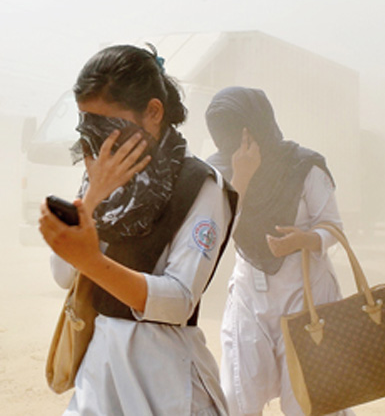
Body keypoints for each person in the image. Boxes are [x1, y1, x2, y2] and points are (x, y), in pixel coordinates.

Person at [39, 44, 240, 416]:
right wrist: (95, 197)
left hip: (166, 380)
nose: (98, 143)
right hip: (100, 372)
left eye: (108, 127)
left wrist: (93, 261)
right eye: (88, 127)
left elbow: (179, 301)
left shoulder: (201, 186)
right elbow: (63, 274)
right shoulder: (98, 179)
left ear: (152, 113)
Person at [204, 86, 354, 416]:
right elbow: (217, 230)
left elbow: (332, 227)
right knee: (239, 397)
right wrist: (241, 177)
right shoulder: (218, 172)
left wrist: (303, 240)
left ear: (255, 128)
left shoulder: (304, 166)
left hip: (305, 292)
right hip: (249, 293)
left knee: (308, 400)